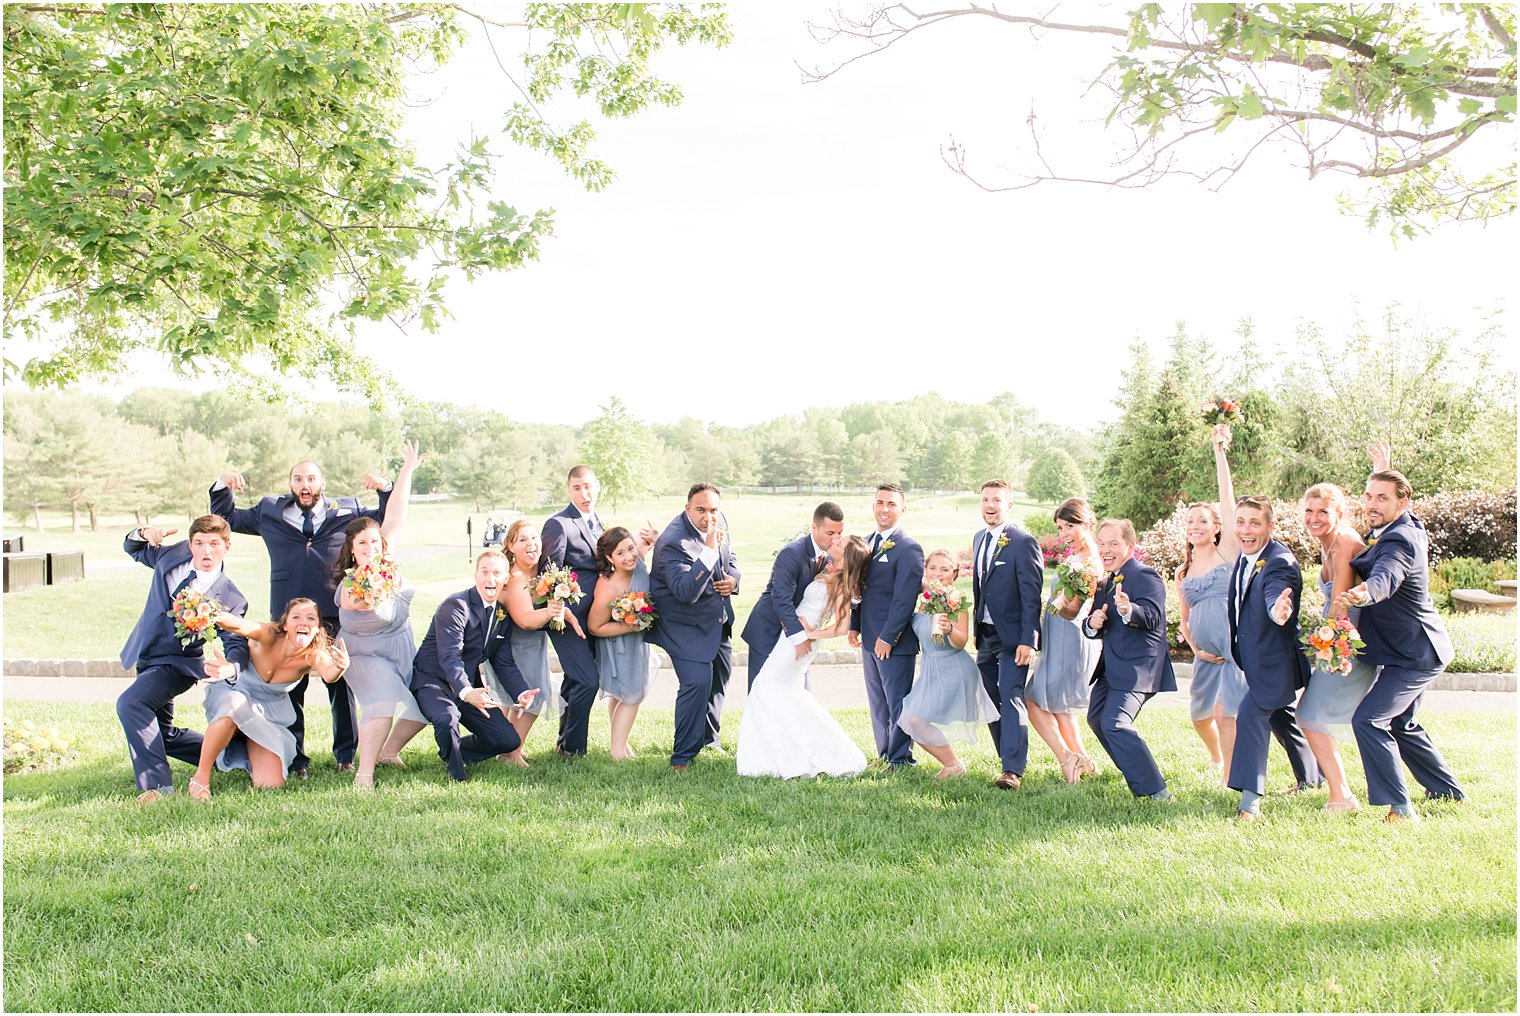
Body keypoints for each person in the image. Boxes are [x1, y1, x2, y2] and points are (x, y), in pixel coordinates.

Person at [211, 457, 395, 775]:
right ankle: (297, 758)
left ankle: (345, 755)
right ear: (290, 484)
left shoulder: (348, 509)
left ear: (321, 483)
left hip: (334, 612)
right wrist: (222, 485)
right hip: (289, 614)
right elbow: (228, 517)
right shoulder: (268, 510)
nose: (304, 485)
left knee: (340, 685)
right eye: (297, 479)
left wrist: (385, 488)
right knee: (291, 688)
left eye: (310, 479)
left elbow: (385, 517)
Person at [1335, 468, 1466, 823]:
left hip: (1416, 654)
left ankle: (1401, 808)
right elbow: (1391, 530)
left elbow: (1385, 577)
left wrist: (1364, 594)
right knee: (1401, 723)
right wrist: (1387, 466)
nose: (1373, 504)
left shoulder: (1399, 540)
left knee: (1370, 720)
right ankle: (1447, 792)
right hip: (1409, 649)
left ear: (1402, 503)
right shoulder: (1397, 526)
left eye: (1383, 498)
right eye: (1369, 496)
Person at [115, 515, 250, 803]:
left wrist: (232, 666)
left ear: (227, 546)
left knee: (132, 703)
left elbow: (236, 641)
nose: (206, 551)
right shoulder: (171, 556)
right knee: (162, 735)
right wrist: (142, 532)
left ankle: (157, 788)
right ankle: (231, 752)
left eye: (214, 544)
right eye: (199, 543)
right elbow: (134, 548)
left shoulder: (230, 596)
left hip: (178, 664)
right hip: (146, 652)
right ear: (190, 545)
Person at [332, 440, 427, 789]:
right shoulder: (353, 585)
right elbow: (361, 603)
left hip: (401, 645)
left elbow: (397, 512)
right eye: (362, 545)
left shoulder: (387, 558)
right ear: (352, 552)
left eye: (374, 542)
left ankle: (388, 751)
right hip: (364, 652)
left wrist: (408, 469)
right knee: (383, 702)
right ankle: (365, 773)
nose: (371, 548)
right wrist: (374, 587)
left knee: (427, 703)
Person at [737, 535, 871, 778]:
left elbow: (841, 627)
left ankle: (784, 757)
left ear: (847, 556)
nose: (836, 542)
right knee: (781, 692)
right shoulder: (829, 570)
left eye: (840, 544)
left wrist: (809, 632)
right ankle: (773, 755)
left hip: (800, 641)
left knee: (766, 687)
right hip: (789, 638)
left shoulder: (842, 585)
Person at [190, 598, 351, 798]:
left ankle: (244, 743)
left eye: (311, 618)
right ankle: (201, 776)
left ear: (317, 628)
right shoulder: (268, 636)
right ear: (285, 624)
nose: (303, 622)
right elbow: (240, 625)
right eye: (296, 617)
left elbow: (329, 673)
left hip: (267, 714)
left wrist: (341, 667)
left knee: (269, 784)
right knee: (235, 705)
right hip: (235, 694)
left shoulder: (313, 655)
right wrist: (210, 612)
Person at [409, 550, 539, 781]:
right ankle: (457, 775)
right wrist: (467, 692)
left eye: (497, 573)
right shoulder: (456, 606)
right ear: (475, 575)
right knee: (447, 718)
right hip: (433, 681)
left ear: (506, 578)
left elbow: (503, 662)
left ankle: (457, 751)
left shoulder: (502, 614)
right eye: (485, 572)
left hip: (468, 687)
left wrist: (521, 691)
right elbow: (450, 656)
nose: (490, 579)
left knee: (508, 740)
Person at [1225, 495, 1314, 821]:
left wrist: (1279, 611)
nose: (1246, 530)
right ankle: (1311, 777)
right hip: (1257, 658)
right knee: (1282, 718)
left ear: (1271, 526)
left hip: (1276, 661)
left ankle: (1249, 804)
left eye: (1255, 523)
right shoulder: (1248, 555)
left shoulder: (1280, 562)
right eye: (1241, 522)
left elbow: (1276, 591)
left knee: (1249, 716)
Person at [648, 483, 741, 770]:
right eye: (701, 510)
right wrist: (709, 551)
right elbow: (685, 591)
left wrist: (733, 581)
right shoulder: (673, 541)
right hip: (683, 625)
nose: (708, 517)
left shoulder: (719, 522)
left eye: (713, 510)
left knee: (718, 680)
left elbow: (732, 560)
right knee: (696, 683)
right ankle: (682, 758)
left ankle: (709, 739)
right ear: (687, 508)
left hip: (717, 619)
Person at [1298, 481, 1378, 812]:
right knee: (1310, 713)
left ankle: (1342, 795)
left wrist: (1322, 644)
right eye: (1309, 511)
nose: (1314, 518)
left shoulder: (1344, 543)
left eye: (1322, 511)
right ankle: (1340, 791)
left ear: (1339, 513)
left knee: (1310, 713)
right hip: (1338, 638)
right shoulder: (1326, 542)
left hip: (1351, 644)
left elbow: (1340, 605)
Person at [1082, 519, 1176, 802]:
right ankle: (1137, 776)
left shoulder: (1145, 575)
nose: (1106, 549)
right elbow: (1092, 625)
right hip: (1112, 666)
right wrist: (1092, 622)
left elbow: (1154, 617)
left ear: (1130, 546)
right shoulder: (1104, 582)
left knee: (1116, 723)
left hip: (1139, 667)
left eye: (1114, 543)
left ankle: (1157, 793)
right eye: (1102, 543)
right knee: (1097, 719)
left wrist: (1128, 609)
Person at [1175, 426, 1248, 782]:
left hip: (1234, 649)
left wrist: (1219, 452)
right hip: (1206, 656)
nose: (1194, 526)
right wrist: (1195, 649)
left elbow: (1227, 497)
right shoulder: (1182, 571)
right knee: (1199, 716)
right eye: (1189, 522)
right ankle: (1218, 757)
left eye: (1202, 521)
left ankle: (1233, 778)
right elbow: (1184, 619)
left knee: (1224, 713)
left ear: (1218, 526)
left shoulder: (1226, 553)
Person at [968, 479, 1043, 788]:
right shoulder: (978, 539)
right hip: (985, 633)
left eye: (997, 500)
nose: (990, 505)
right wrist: (976, 628)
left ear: (1008, 505)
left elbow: (1031, 595)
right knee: (989, 697)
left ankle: (1012, 770)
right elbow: (980, 587)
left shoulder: (1023, 542)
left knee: (1011, 694)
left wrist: (1029, 639)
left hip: (1014, 636)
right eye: (986, 499)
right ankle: (1006, 757)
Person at [898, 549, 998, 779]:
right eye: (932, 568)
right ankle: (952, 764)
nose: (937, 574)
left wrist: (949, 628)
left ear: (954, 574)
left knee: (914, 718)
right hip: (931, 668)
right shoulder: (924, 597)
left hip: (953, 668)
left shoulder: (955, 601)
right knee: (909, 718)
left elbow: (961, 642)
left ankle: (953, 764)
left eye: (944, 570)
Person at [849, 483, 925, 770]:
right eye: (880, 502)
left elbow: (904, 599)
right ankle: (884, 754)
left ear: (902, 509)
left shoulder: (909, 548)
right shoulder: (867, 542)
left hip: (894, 641)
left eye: (892, 504)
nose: (884, 509)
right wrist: (854, 625)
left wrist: (888, 637)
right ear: (873, 506)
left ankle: (901, 758)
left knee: (897, 703)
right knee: (877, 703)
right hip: (869, 637)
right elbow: (859, 587)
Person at [1025, 498, 1101, 784]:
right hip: (1057, 635)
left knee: (1033, 700)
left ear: (1086, 523)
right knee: (1059, 706)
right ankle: (1084, 762)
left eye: (1070, 526)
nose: (1065, 533)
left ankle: (1066, 757)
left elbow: (1073, 609)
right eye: (1060, 528)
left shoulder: (1091, 562)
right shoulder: (1076, 557)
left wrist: (1053, 609)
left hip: (1072, 636)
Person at [495, 519, 587, 755]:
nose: (531, 544)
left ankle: (506, 746)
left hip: (531, 645)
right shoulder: (516, 579)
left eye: (534, 538)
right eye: (522, 540)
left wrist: (566, 614)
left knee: (516, 701)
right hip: (516, 646)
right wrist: (550, 611)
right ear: (511, 546)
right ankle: (512, 752)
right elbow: (525, 620)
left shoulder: (540, 574)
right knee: (533, 700)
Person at [741, 502, 844, 688]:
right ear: (814, 527)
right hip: (769, 630)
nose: (836, 539)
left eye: (839, 533)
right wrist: (800, 638)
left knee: (796, 689)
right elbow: (781, 598)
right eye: (830, 533)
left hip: (798, 632)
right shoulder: (791, 554)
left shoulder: (831, 558)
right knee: (763, 690)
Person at [540, 465, 605, 758]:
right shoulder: (559, 524)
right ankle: (575, 749)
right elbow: (548, 573)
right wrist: (562, 610)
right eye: (577, 488)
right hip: (566, 620)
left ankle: (563, 742)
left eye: (588, 486)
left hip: (593, 620)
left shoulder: (599, 524)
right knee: (589, 680)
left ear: (597, 487)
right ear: (569, 490)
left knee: (574, 679)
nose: (584, 493)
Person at [587, 526, 659, 761]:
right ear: (609, 558)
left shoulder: (636, 563)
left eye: (630, 549)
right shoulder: (608, 586)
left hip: (637, 644)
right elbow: (595, 627)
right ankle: (617, 752)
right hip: (618, 647)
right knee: (631, 696)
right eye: (620, 553)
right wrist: (631, 625)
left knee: (621, 696)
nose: (629, 556)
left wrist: (650, 543)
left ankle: (621, 744)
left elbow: (643, 546)